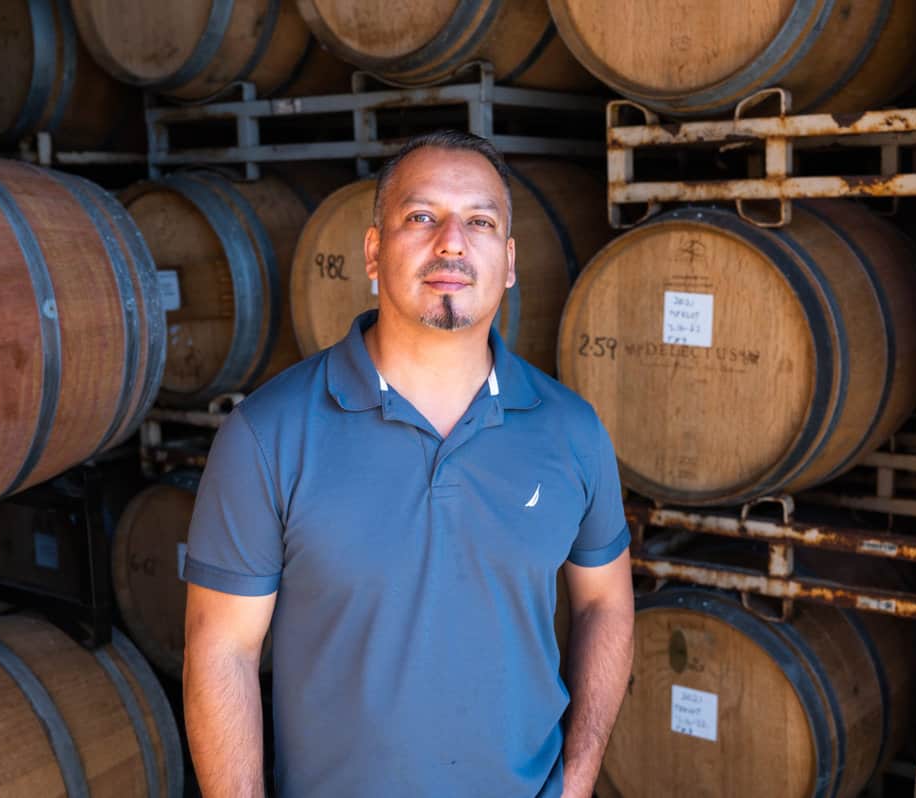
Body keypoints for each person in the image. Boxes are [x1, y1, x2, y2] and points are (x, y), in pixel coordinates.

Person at [182, 130, 634, 797]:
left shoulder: (571, 431)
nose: (452, 241)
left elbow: (605, 603)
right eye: (421, 217)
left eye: (479, 222)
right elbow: (221, 650)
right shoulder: (267, 433)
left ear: (508, 263)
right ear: (373, 251)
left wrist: (578, 779)